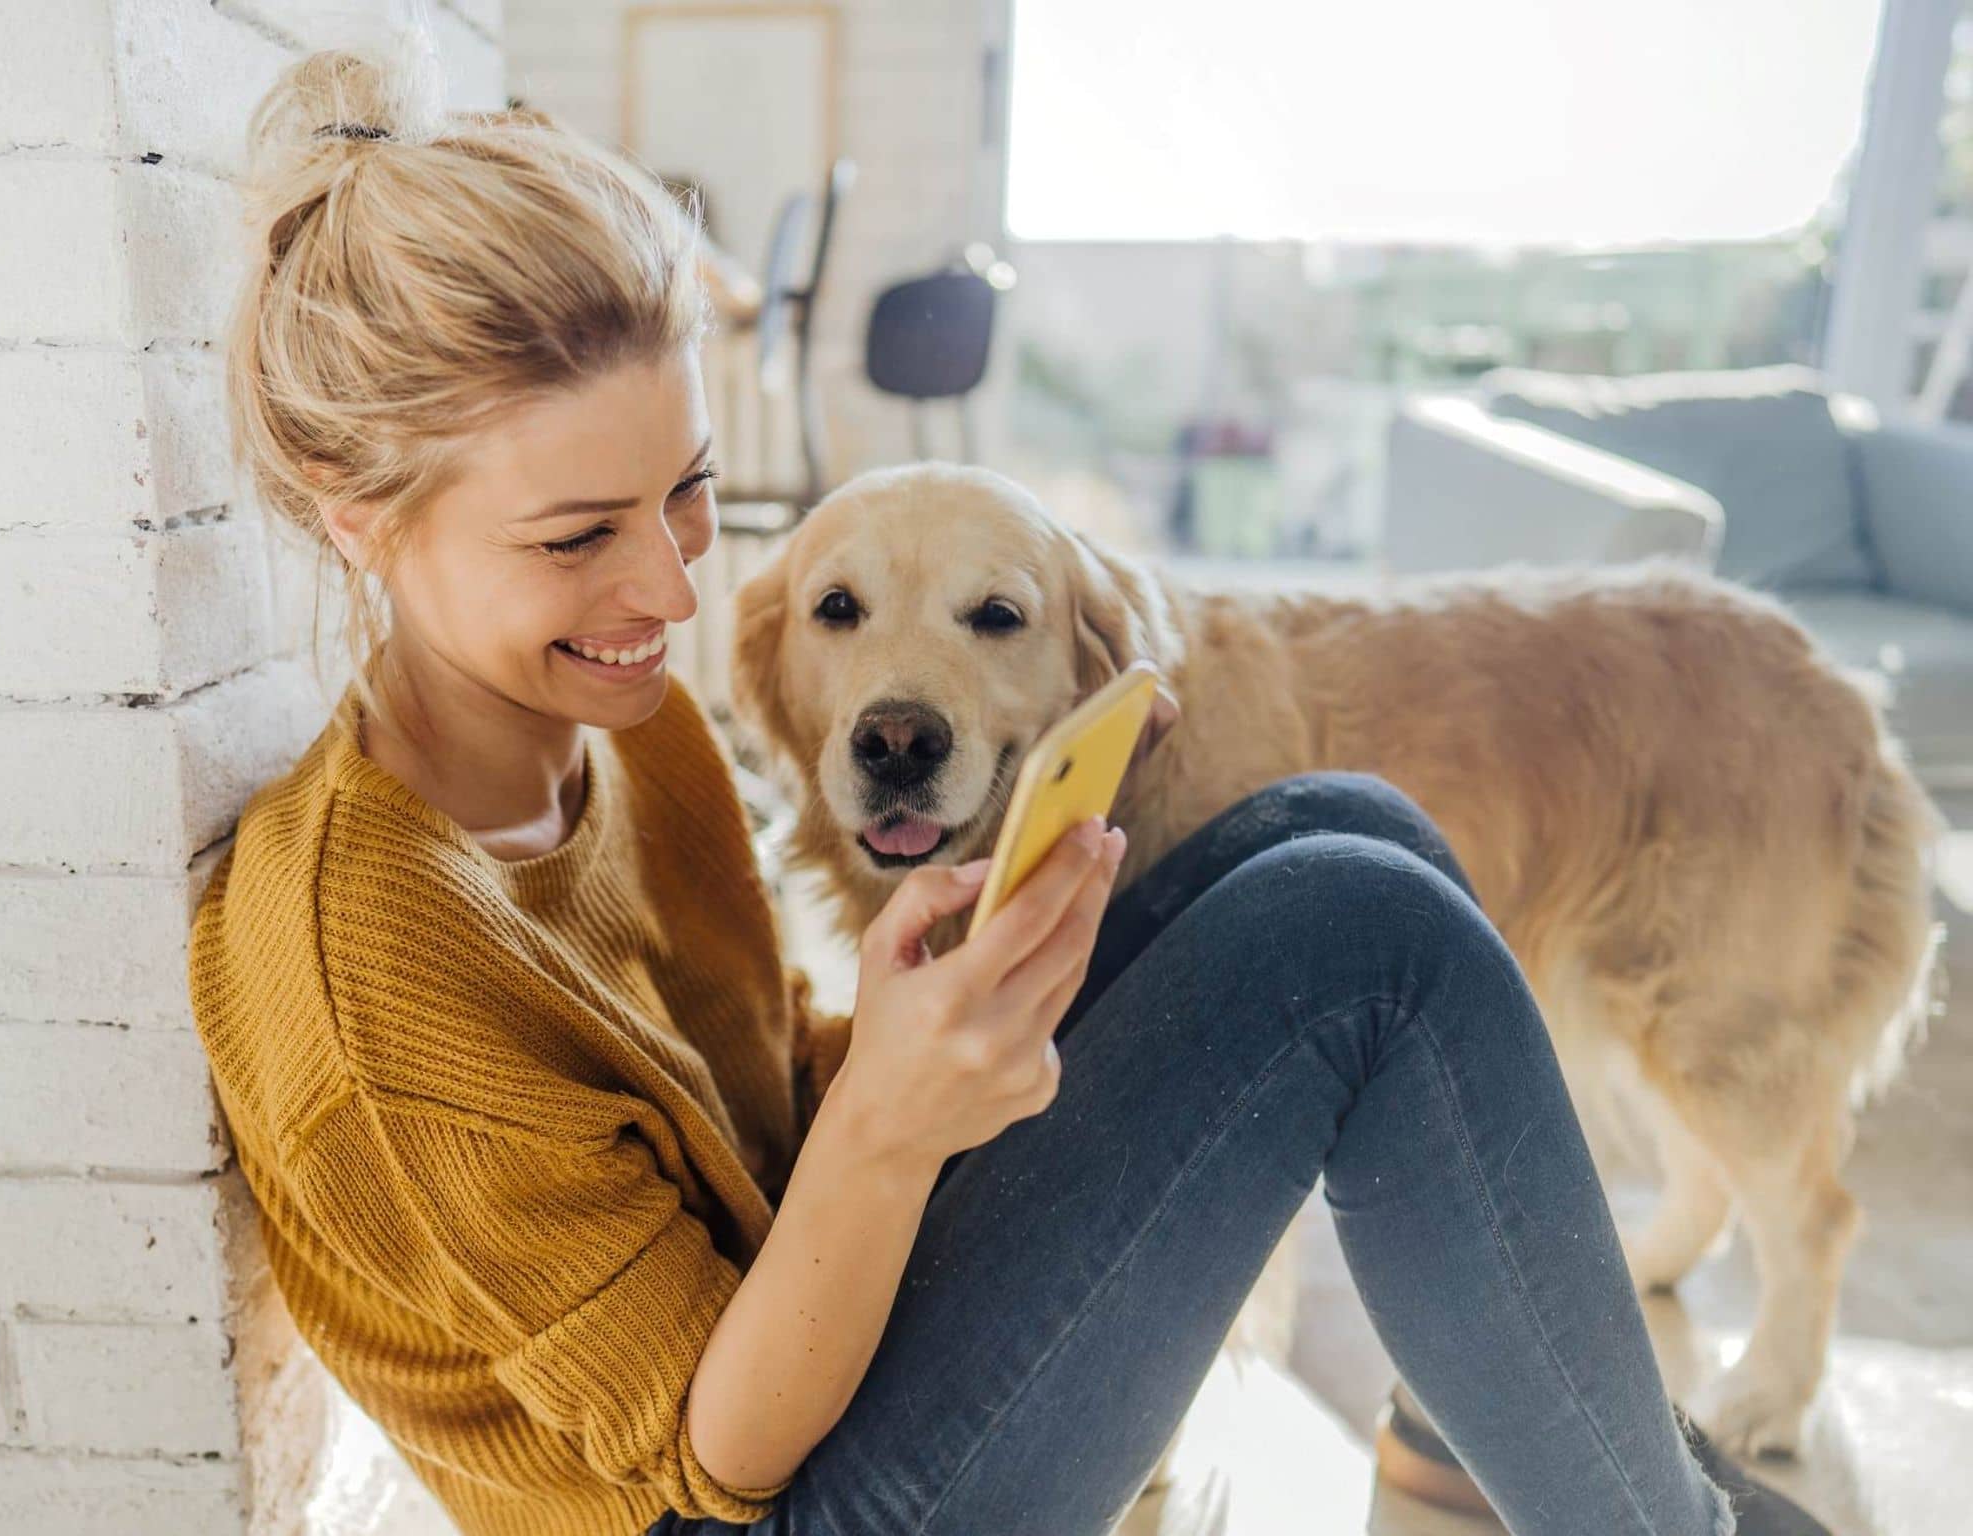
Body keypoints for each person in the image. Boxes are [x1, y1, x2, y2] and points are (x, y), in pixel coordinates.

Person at [190, 33, 1833, 1536]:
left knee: (1337, 835)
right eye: (576, 539)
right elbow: (714, 1449)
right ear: (361, 515)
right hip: (754, 1499)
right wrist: (897, 1122)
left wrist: (906, 1040)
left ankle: (1480, 1442)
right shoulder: (368, 965)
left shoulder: (612, 724)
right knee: (1355, 938)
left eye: (682, 496)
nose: (672, 593)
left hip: (820, 1348)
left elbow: (744, 1096)